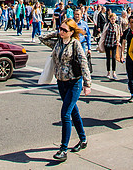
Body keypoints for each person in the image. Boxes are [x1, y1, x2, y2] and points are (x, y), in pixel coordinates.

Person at [39, 19, 92, 161]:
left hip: (74, 82)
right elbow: (42, 37)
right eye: (61, 29)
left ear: (72, 32)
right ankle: (83, 139)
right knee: (73, 112)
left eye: (65, 30)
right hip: (61, 83)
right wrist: (57, 32)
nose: (62, 32)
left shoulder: (76, 45)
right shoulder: (58, 42)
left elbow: (83, 63)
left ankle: (63, 149)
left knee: (65, 114)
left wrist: (87, 84)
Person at [98, 11, 122, 80]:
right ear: (109, 19)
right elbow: (104, 34)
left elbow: (118, 34)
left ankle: (114, 72)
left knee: (114, 58)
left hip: (114, 43)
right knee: (108, 58)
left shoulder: (117, 26)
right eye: (112, 19)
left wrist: (118, 41)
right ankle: (108, 72)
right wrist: (101, 41)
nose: (113, 20)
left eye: (114, 19)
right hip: (107, 43)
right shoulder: (107, 25)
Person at [120, 15, 133, 101]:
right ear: (129, 23)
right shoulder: (127, 32)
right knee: (130, 76)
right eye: (132, 22)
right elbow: (123, 43)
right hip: (129, 56)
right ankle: (132, 94)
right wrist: (122, 55)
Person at [74, 8, 93, 75]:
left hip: (82, 44)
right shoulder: (72, 24)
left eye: (78, 14)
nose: (77, 16)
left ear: (81, 15)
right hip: (73, 45)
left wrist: (89, 48)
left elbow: (88, 35)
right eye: (76, 14)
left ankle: (82, 76)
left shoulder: (84, 24)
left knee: (82, 61)